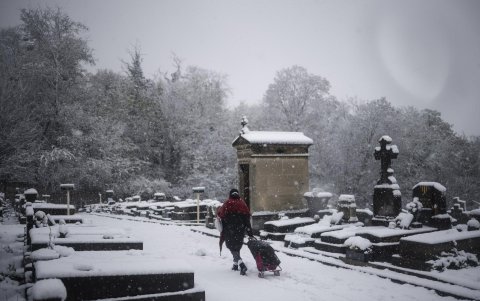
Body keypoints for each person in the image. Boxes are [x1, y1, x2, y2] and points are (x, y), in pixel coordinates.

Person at [217, 188, 253, 275]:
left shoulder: (227, 203)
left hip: (229, 230)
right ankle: (235, 264)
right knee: (237, 246)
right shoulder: (242, 203)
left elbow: (221, 214)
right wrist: (249, 231)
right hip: (240, 230)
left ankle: (241, 264)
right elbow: (247, 218)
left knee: (231, 246)